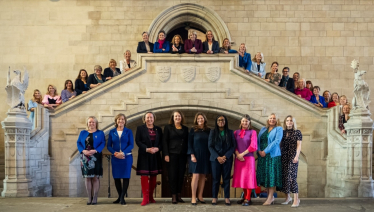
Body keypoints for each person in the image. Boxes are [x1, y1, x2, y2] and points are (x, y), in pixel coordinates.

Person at [135, 112, 163, 206]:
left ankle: (151, 196)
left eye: (151, 117)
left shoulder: (158, 129)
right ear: (145, 119)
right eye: (147, 118)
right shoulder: (140, 128)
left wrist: (157, 148)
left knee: (154, 176)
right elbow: (137, 141)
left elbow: (162, 142)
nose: (149, 119)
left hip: (155, 155)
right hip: (144, 154)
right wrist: (147, 149)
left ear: (154, 119)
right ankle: (145, 198)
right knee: (144, 176)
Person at [76, 116, 105, 205]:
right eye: (90, 122)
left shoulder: (100, 133)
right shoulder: (83, 132)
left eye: (93, 122)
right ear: (87, 123)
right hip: (85, 157)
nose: (91, 124)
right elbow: (79, 143)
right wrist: (83, 150)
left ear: (96, 123)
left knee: (95, 177)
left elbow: (103, 143)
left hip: (96, 156)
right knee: (87, 177)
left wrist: (95, 150)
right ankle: (89, 197)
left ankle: (95, 197)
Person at [208, 115, 236, 206]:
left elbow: (233, 146)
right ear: (216, 122)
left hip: (227, 159)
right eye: (219, 120)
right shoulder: (213, 132)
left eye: (223, 120)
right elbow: (210, 146)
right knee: (216, 179)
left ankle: (227, 197)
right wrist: (217, 157)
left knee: (226, 179)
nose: (221, 121)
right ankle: (214, 197)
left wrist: (225, 156)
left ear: (225, 121)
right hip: (215, 159)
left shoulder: (230, 132)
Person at [107, 113, 134, 205]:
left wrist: (123, 153)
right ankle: (120, 196)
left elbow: (131, 145)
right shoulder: (112, 132)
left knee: (126, 177)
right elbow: (109, 146)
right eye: (119, 119)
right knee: (116, 177)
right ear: (116, 121)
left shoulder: (128, 131)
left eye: (122, 119)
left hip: (126, 157)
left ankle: (122, 197)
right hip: (115, 157)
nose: (121, 121)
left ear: (125, 121)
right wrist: (115, 153)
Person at [257, 113, 283, 206]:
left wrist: (265, 151)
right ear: (268, 120)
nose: (272, 120)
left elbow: (277, 141)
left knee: (271, 176)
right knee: (266, 176)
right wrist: (259, 150)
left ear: (276, 120)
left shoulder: (279, 129)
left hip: (272, 155)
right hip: (262, 156)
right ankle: (269, 196)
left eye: (274, 118)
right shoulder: (263, 129)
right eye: (270, 118)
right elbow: (258, 141)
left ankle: (270, 197)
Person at [163, 111, 189, 204]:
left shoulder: (185, 129)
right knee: (172, 175)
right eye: (176, 116)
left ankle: (179, 195)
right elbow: (164, 141)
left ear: (181, 117)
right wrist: (166, 154)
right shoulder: (168, 127)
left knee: (181, 175)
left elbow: (187, 142)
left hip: (182, 154)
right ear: (173, 118)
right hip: (171, 154)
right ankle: (173, 196)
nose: (178, 117)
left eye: (179, 116)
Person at [232, 114, 257, 206]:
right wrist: (238, 154)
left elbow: (253, 146)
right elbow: (233, 145)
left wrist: (242, 154)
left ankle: (248, 198)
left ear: (249, 122)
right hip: (239, 158)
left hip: (248, 158)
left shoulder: (253, 132)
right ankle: (244, 197)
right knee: (242, 178)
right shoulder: (236, 132)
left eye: (246, 121)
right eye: (243, 121)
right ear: (241, 122)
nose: (244, 122)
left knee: (248, 179)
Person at [188, 112, 211, 205]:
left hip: (206, 155)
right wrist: (192, 155)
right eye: (198, 119)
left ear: (204, 119)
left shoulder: (209, 130)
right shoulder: (193, 130)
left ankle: (200, 196)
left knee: (202, 176)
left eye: (201, 118)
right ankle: (193, 197)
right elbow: (189, 143)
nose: (200, 120)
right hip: (195, 155)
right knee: (196, 175)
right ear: (196, 120)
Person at [280, 115, 302, 208]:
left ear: (293, 122)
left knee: (292, 178)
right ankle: (288, 198)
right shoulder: (283, 132)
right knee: (285, 177)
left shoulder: (297, 132)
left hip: (293, 156)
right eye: (287, 120)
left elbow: (299, 145)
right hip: (284, 156)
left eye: (291, 121)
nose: (289, 122)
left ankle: (296, 199)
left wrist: (297, 156)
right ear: (285, 122)